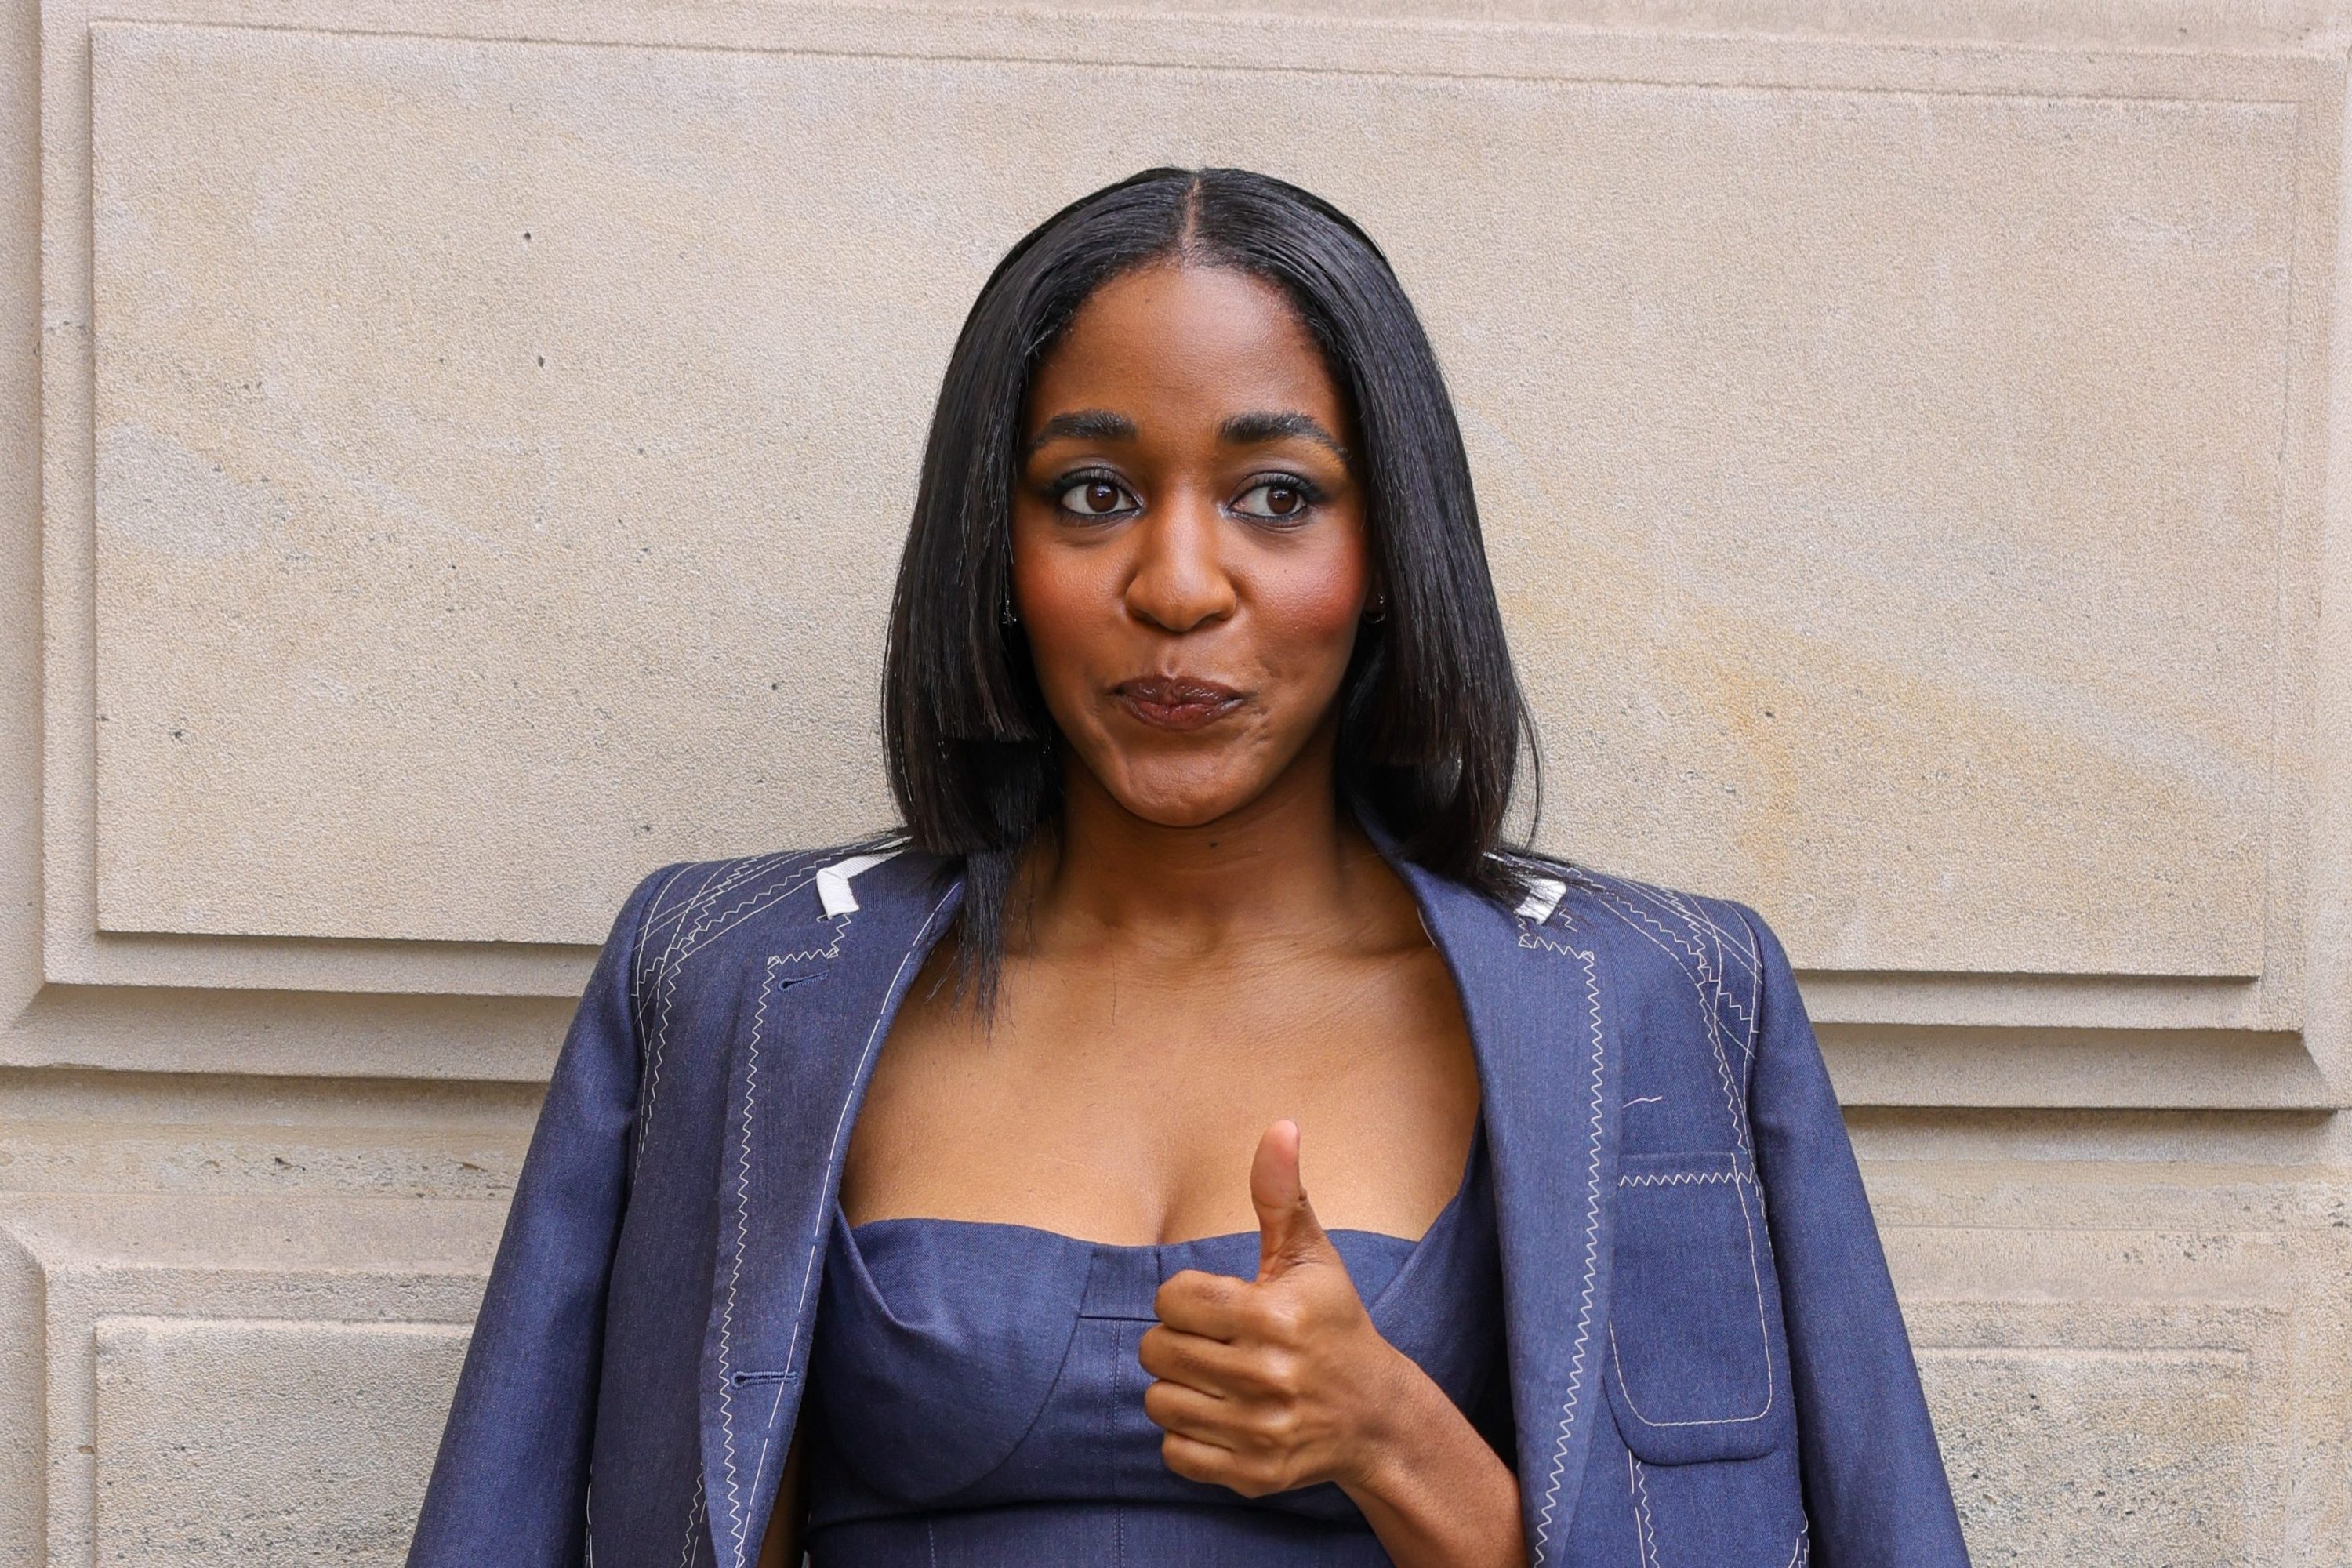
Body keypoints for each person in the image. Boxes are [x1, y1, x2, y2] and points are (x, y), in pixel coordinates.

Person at [406, 166, 1971, 1568]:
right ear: (996, 557)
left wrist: (1394, 1436)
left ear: (1386, 559)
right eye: (1091, 493)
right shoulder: (731, 981)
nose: (1174, 581)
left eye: (1274, 497)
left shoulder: (1663, 1002)